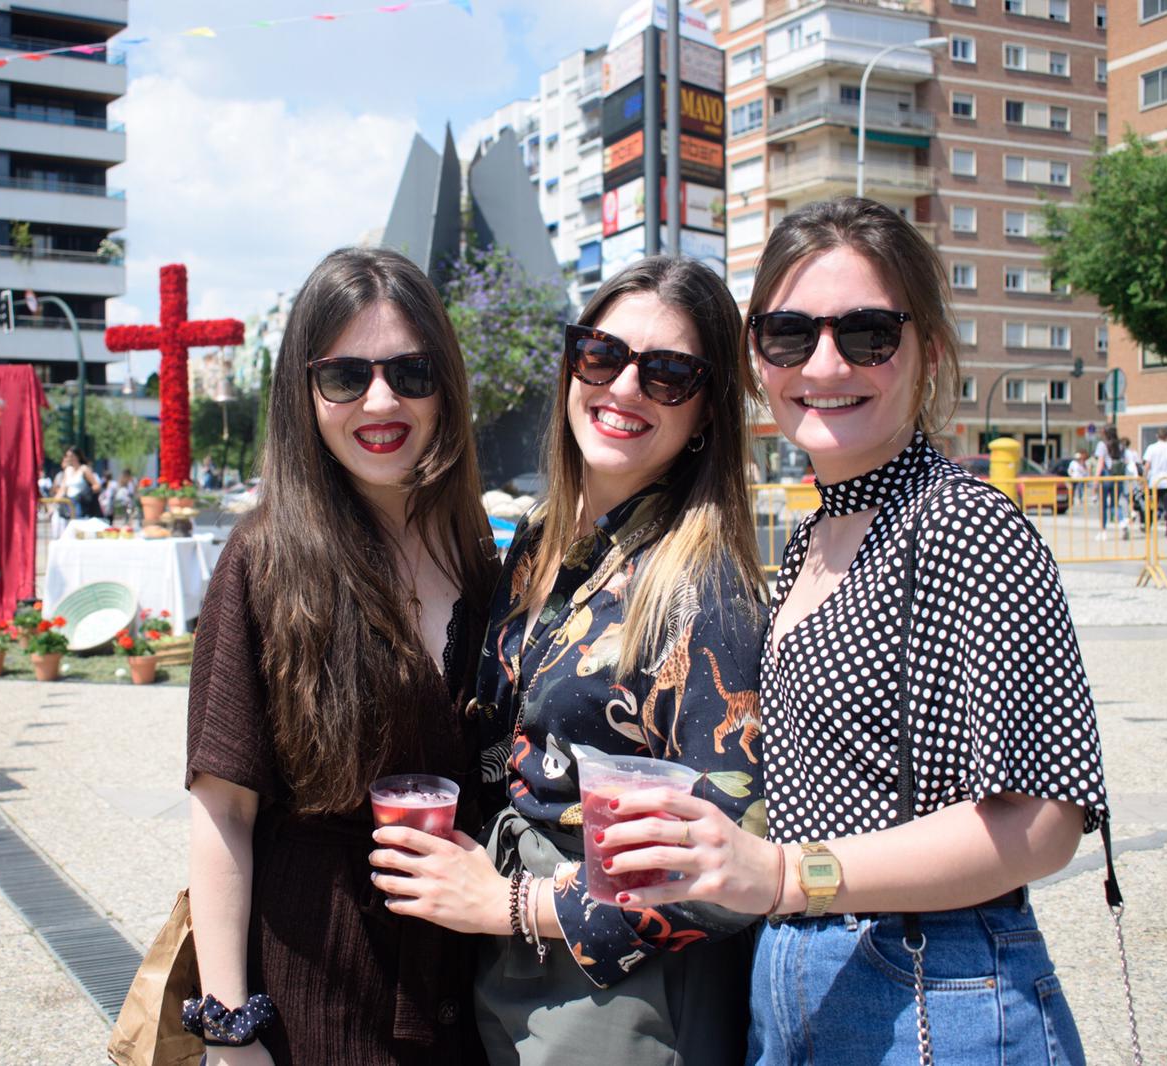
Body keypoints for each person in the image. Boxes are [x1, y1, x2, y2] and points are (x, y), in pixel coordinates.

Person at [602, 199, 1107, 1065]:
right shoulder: (814, 537)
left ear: (929, 353)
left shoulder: (963, 524)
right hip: (806, 980)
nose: (824, 363)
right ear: (758, 360)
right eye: (789, 336)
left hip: (934, 986)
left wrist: (790, 875)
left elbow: (1041, 823)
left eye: (867, 333)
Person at [369, 257, 770, 1065]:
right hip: (506, 959)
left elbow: (731, 867)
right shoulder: (542, 540)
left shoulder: (703, 588)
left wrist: (512, 903)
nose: (623, 389)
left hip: (619, 994)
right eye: (601, 354)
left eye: (668, 375)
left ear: (707, 412)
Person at [183, 247, 498, 1065]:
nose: (381, 400)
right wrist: (229, 1030)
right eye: (346, 376)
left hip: (467, 992)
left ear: (446, 386)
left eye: (411, 371)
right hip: (315, 994)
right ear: (305, 391)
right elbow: (223, 810)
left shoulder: (478, 557)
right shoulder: (262, 561)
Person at [1142, 426, 1167, 533]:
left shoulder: (1152, 448)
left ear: (1157, 436)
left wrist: (1143, 479)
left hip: (1154, 481)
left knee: (1151, 506)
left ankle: (1147, 526)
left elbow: (1147, 465)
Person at [1093, 424, 1128, 539]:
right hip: (1118, 478)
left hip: (1106, 477)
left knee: (1103, 505)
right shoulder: (1121, 445)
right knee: (1115, 504)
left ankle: (1103, 531)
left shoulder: (1102, 445)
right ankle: (1123, 523)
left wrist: (1095, 481)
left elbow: (1100, 463)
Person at [57, 447, 104, 521]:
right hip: (69, 502)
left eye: (71, 456)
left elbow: (96, 486)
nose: (69, 458)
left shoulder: (84, 469)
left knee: (78, 524)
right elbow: (63, 488)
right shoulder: (68, 470)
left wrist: (86, 493)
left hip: (81, 503)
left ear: (77, 456)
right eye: (67, 456)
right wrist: (54, 500)